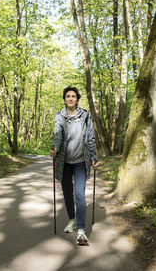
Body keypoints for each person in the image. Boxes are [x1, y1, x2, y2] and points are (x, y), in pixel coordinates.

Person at [50, 86, 98, 245]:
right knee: (68, 193)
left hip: (80, 162)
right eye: (68, 96)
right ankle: (71, 219)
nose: (70, 98)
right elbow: (57, 136)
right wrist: (55, 148)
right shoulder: (60, 117)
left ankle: (81, 230)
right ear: (64, 99)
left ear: (77, 99)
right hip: (64, 162)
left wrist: (94, 157)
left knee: (79, 194)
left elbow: (90, 137)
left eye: (73, 96)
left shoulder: (85, 116)